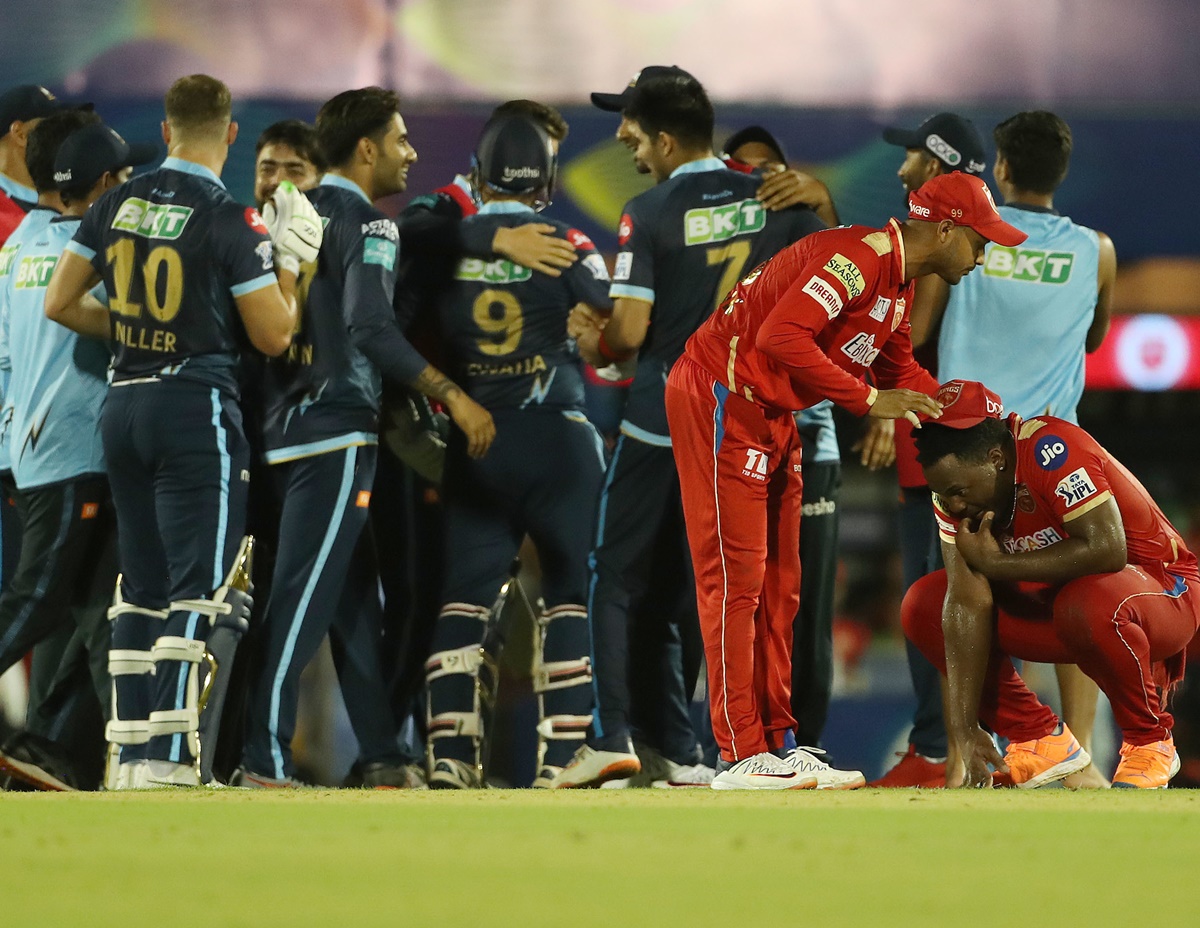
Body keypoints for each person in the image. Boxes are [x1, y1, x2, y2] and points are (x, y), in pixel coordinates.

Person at [666, 172, 1027, 790]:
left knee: (783, 583)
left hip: (773, 411)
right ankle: (738, 752)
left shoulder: (898, 283)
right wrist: (867, 400)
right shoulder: (857, 260)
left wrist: (962, 411)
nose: (984, 253)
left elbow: (899, 367)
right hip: (724, 395)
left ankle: (780, 742)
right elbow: (780, 336)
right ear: (943, 229)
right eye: (980, 239)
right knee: (735, 577)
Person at [554, 72, 825, 789]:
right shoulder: (778, 194)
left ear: (667, 139)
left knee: (612, 576)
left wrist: (594, 340)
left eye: (632, 131)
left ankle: (608, 734)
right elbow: (826, 290)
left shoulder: (647, 210)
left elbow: (629, 336)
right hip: (745, 425)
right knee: (700, 590)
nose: (622, 140)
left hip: (659, 423)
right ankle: (690, 747)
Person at [44, 73, 314, 789]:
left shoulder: (115, 204)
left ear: (164, 132)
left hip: (123, 404)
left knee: (140, 587)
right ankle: (167, 759)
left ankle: (126, 756)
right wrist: (291, 265)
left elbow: (61, 303)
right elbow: (273, 336)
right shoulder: (229, 218)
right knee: (200, 589)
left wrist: (139, 331)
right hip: (194, 408)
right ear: (231, 135)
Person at [236, 87, 495, 788]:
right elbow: (371, 328)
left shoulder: (285, 214)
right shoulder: (370, 225)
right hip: (334, 436)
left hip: (277, 431)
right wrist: (452, 396)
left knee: (348, 601)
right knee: (300, 603)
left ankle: (381, 752)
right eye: (403, 140)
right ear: (369, 148)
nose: (413, 153)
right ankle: (260, 758)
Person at [912, 110, 1120, 788]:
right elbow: (1092, 340)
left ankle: (981, 756)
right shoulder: (1098, 250)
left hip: (970, 452)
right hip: (1054, 452)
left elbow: (921, 330)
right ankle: (1079, 758)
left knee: (972, 596)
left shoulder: (965, 237)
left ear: (999, 168)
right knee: (1070, 600)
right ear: (1059, 172)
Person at [422, 113, 611, 789]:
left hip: (477, 439)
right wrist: (593, 338)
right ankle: (561, 758)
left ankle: (450, 757)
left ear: (478, 174)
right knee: (569, 595)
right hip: (558, 435)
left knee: (464, 599)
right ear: (548, 178)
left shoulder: (443, 243)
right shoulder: (566, 240)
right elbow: (617, 328)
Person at [904, 380, 1197, 789]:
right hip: (1066, 607)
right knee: (924, 605)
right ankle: (1036, 737)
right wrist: (966, 727)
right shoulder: (955, 494)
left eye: (957, 492)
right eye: (942, 493)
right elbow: (966, 603)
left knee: (1086, 600)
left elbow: (1107, 549)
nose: (953, 505)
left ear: (996, 458)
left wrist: (997, 563)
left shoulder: (1050, 449)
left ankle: (1150, 741)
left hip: (1164, 592)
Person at [725, 126, 892, 760]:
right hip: (731, 430)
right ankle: (740, 746)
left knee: (799, 602)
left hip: (808, 439)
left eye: (773, 172)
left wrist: (823, 204)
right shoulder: (720, 236)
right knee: (736, 595)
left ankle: (805, 744)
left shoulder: (810, 227)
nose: (763, 183)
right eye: (748, 172)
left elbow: (853, 295)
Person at [0, 112, 145, 791]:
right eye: (123, 177)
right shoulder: (93, 255)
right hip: (74, 450)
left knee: (100, 610)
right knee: (40, 600)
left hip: (30, 445)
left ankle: (49, 747)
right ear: (103, 182)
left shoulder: (22, 243)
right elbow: (151, 322)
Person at [871, 111, 988, 788]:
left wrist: (876, 408)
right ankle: (953, 743)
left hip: (933, 432)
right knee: (949, 586)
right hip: (952, 430)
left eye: (912, 156)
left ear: (938, 167)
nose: (902, 167)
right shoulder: (964, 233)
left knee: (934, 587)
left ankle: (940, 747)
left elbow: (908, 340)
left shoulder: (939, 247)